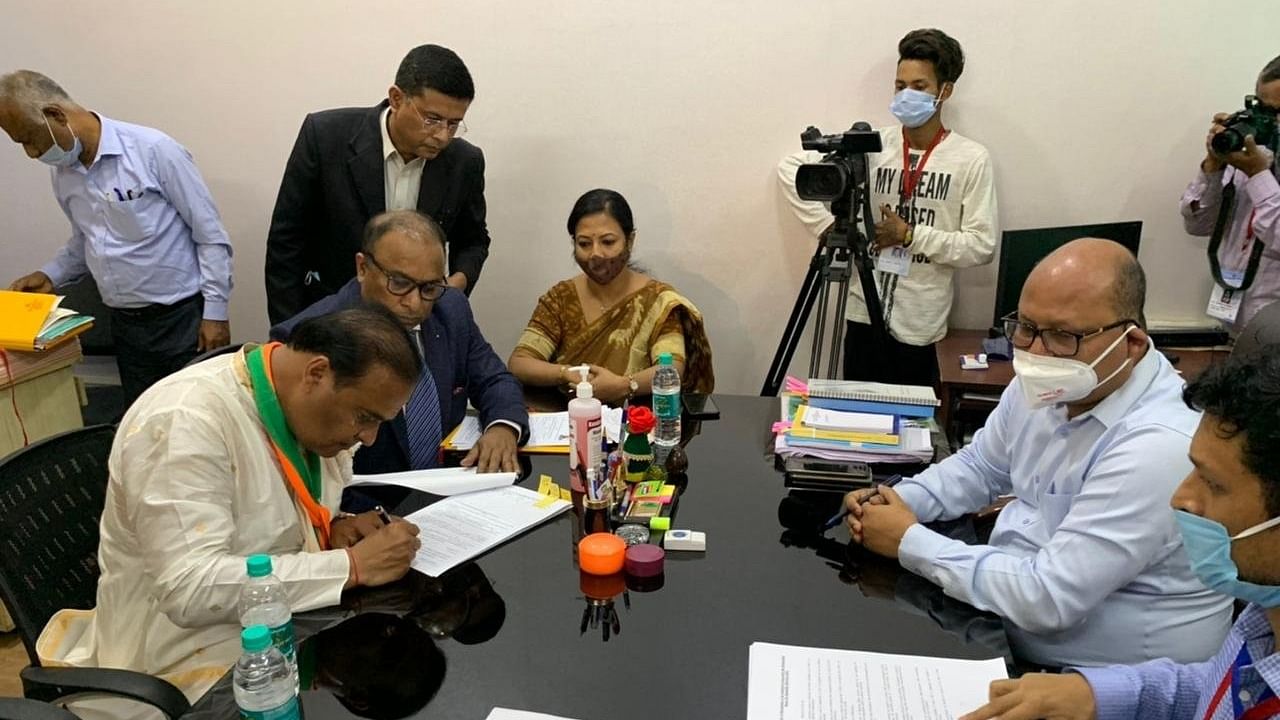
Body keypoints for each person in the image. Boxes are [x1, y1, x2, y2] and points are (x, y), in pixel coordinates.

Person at [844, 239, 1232, 667]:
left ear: (1132, 343)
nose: (1035, 353)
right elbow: (981, 467)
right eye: (1026, 327)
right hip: (1004, 621)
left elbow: (1049, 598)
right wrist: (897, 501)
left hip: (1098, 683)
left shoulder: (1161, 445)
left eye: (1063, 336)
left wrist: (907, 540)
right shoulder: (1052, 380)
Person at [36, 306, 424, 704]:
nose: (370, 438)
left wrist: (332, 526)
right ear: (316, 373)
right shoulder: (183, 420)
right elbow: (189, 587)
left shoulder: (295, 406)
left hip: (281, 638)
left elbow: (270, 509)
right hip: (183, 668)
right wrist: (351, 567)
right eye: (364, 418)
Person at [959, 346, 1280, 720]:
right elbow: (1221, 686)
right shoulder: (1264, 617)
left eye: (1212, 483)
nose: (1180, 498)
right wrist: (1094, 693)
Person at [777, 28, 998, 386]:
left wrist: (911, 235)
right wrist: (828, 228)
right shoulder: (874, 146)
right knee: (857, 424)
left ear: (945, 91)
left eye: (919, 86)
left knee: (910, 431)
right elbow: (790, 168)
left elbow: (981, 245)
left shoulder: (971, 159)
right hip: (864, 309)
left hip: (921, 324)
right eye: (899, 85)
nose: (906, 95)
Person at [0, 70, 234, 408]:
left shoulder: (154, 150)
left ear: (55, 115)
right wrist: (50, 275)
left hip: (182, 321)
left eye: (28, 138)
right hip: (126, 326)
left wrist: (216, 313)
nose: (31, 152)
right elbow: (86, 239)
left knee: (195, 419)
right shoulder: (64, 174)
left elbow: (210, 236)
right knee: (141, 424)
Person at [271, 210, 527, 487]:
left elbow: (494, 379)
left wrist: (502, 427)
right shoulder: (308, 339)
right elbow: (296, 468)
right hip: (361, 507)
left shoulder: (450, 309)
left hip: (452, 486)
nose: (415, 303)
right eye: (400, 284)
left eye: (429, 287)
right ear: (362, 268)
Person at [265, 44, 489, 325]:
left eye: (454, 123)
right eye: (432, 119)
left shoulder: (463, 162)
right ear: (396, 98)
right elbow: (286, 243)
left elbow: (474, 241)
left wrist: (458, 283)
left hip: (416, 320)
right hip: (331, 315)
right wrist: (291, 330)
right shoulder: (325, 137)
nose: (443, 135)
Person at [507, 188, 714, 405]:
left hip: (637, 426)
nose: (595, 253)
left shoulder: (656, 300)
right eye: (584, 244)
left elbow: (672, 369)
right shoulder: (561, 298)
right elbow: (520, 362)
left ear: (630, 240)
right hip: (566, 424)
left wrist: (625, 385)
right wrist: (566, 373)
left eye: (607, 242)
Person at [1180, 54, 1280, 335]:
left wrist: (1259, 176)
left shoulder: (1255, 165)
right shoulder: (1254, 153)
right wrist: (1213, 166)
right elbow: (1198, 225)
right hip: (1235, 329)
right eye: (1263, 109)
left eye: (1278, 112)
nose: (1269, 122)